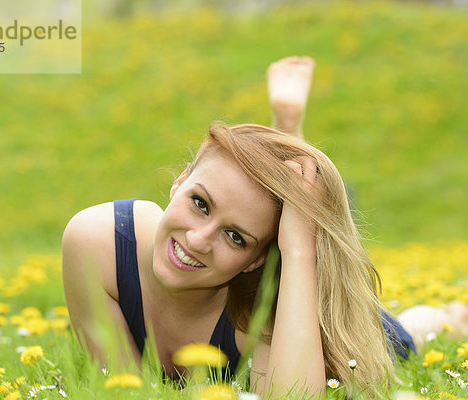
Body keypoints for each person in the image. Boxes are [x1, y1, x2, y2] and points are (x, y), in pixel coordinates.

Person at [62, 57, 422, 398]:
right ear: (179, 182)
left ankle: (436, 316)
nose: (198, 240)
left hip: (341, 327)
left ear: (255, 260)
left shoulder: (263, 305)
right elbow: (128, 392)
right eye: (200, 203)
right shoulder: (98, 242)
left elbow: (292, 398)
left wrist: (298, 249)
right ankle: (287, 131)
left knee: (415, 327)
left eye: (236, 237)